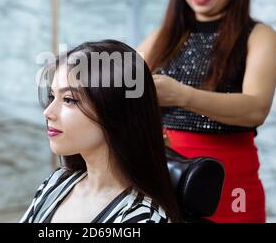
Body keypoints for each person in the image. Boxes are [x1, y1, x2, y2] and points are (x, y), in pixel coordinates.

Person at [137, 0, 276, 223]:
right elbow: (123, 85)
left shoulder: (258, 35)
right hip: (167, 178)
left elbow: (255, 108)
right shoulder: (162, 37)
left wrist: (181, 95)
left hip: (230, 186)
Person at [21, 40, 182, 223]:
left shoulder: (142, 218)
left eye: (69, 100)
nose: (48, 112)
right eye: (52, 96)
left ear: (115, 112)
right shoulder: (57, 183)